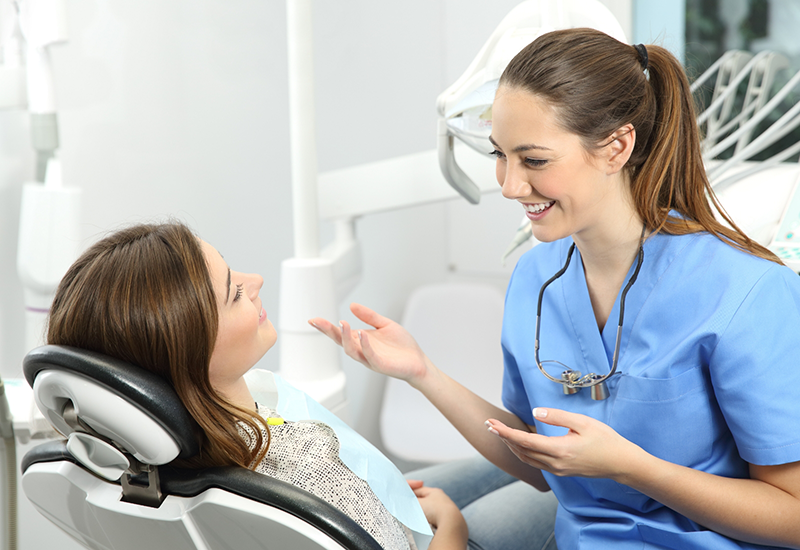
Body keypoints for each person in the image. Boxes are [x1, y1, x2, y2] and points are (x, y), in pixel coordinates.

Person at [310, 27, 800, 550]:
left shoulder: (747, 291)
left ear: (617, 147)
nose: (509, 185)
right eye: (500, 154)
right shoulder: (536, 277)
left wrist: (633, 468)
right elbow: (542, 461)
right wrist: (422, 374)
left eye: (534, 160)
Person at [46, 221, 468, 550]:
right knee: (532, 486)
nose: (257, 280)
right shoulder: (310, 469)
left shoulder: (146, 467)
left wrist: (366, 493)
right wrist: (453, 527)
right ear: (192, 355)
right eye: (234, 293)